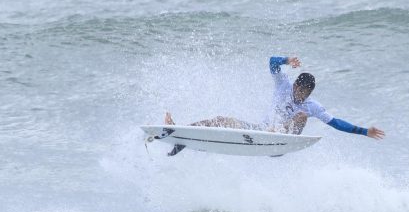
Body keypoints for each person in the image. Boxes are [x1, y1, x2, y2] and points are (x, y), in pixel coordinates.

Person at [164, 55, 384, 156]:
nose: (298, 95)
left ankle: (276, 133)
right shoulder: (283, 85)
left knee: (301, 117)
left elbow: (336, 123)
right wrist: (287, 60)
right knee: (222, 119)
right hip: (262, 132)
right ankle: (181, 134)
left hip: (281, 142)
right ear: (295, 84)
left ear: (309, 93)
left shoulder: (312, 106)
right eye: (297, 89)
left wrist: (364, 131)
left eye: (303, 93)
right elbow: (271, 62)